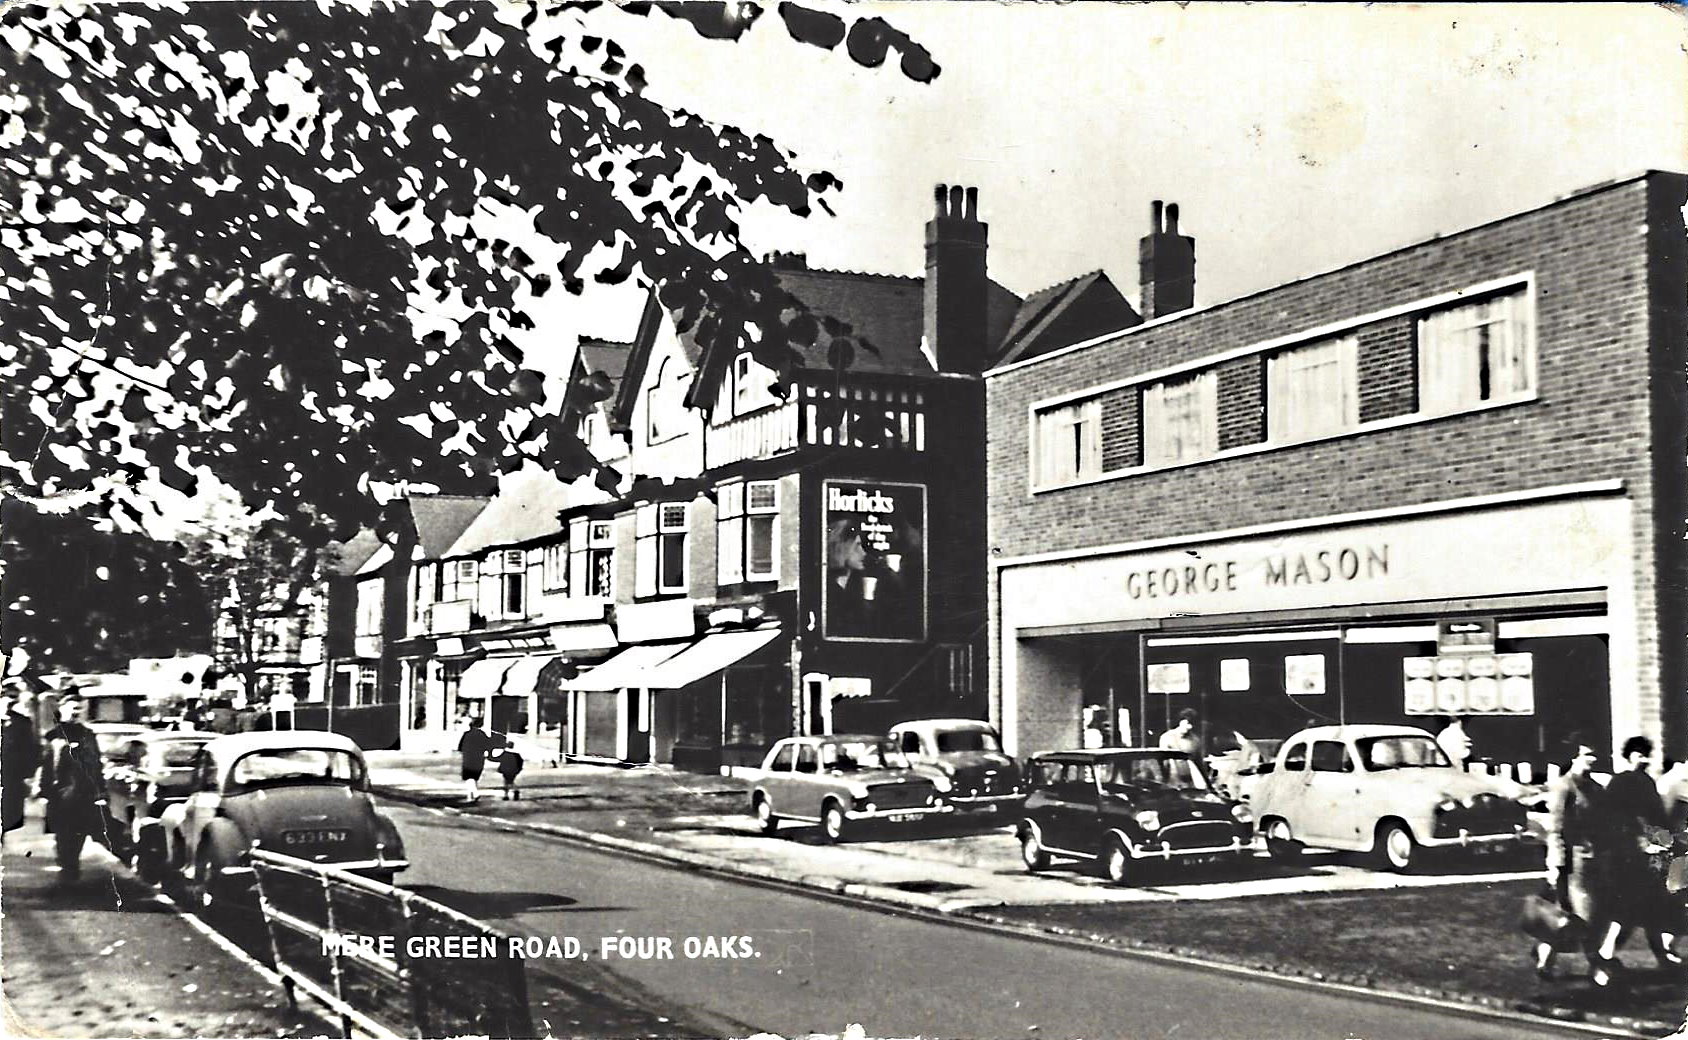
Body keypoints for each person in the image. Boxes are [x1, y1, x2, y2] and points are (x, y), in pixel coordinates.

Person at [1537, 737, 1621, 985]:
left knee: (1569, 915)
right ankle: (1597, 968)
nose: (1592, 759)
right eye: (1587, 754)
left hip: (1594, 860)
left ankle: (1544, 959)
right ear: (1573, 757)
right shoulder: (1564, 787)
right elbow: (1555, 828)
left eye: (1594, 754)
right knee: (1581, 915)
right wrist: (1555, 865)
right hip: (1572, 863)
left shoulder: (1594, 788)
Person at [1602, 735, 1683, 968]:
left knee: (1652, 909)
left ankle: (1660, 957)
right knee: (1628, 910)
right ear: (1630, 756)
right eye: (1639, 755)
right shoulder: (1619, 783)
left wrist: (1664, 842)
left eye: (1646, 755)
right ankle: (1606, 955)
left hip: (1649, 856)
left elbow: (1658, 818)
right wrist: (1638, 841)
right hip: (1627, 857)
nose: (1644, 759)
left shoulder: (1646, 782)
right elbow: (1614, 820)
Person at [39, 691, 109, 882]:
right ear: (62, 710)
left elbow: (96, 764)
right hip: (59, 795)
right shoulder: (54, 736)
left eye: (79, 709)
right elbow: (46, 763)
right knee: (62, 835)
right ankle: (66, 866)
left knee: (79, 834)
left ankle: (71, 866)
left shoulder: (88, 735)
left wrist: (101, 790)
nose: (76, 713)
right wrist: (43, 788)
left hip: (83, 795)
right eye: (72, 709)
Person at [2, 684, 40, 837]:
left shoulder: (23, 723)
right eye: (8, 697)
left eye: (14, 698)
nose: (11, 701)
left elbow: (31, 751)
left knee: (6, 819)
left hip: (12, 780)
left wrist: (29, 778)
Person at [457, 714, 493, 804]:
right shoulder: (482, 735)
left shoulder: (467, 734)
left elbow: (460, 747)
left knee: (468, 778)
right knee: (474, 778)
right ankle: (470, 797)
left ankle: (475, 794)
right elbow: (489, 746)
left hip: (468, 758)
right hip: (479, 759)